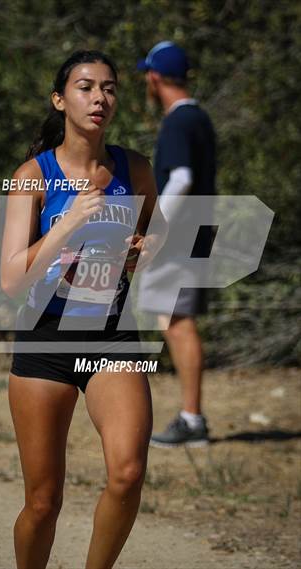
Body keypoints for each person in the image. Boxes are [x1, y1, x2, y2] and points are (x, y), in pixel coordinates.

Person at [1, 50, 168, 569]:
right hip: (45, 336)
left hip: (111, 334)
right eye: (86, 87)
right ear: (60, 99)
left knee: (127, 473)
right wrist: (68, 223)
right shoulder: (33, 174)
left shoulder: (133, 167)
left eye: (110, 88)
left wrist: (145, 248)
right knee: (43, 502)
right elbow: (10, 279)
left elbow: (160, 232)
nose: (100, 97)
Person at [136, 41, 217, 447]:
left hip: (179, 238)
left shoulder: (178, 122)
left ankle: (192, 419)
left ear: (153, 78)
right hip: (195, 234)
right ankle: (192, 417)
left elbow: (181, 178)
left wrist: (155, 227)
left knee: (177, 323)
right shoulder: (199, 118)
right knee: (175, 321)